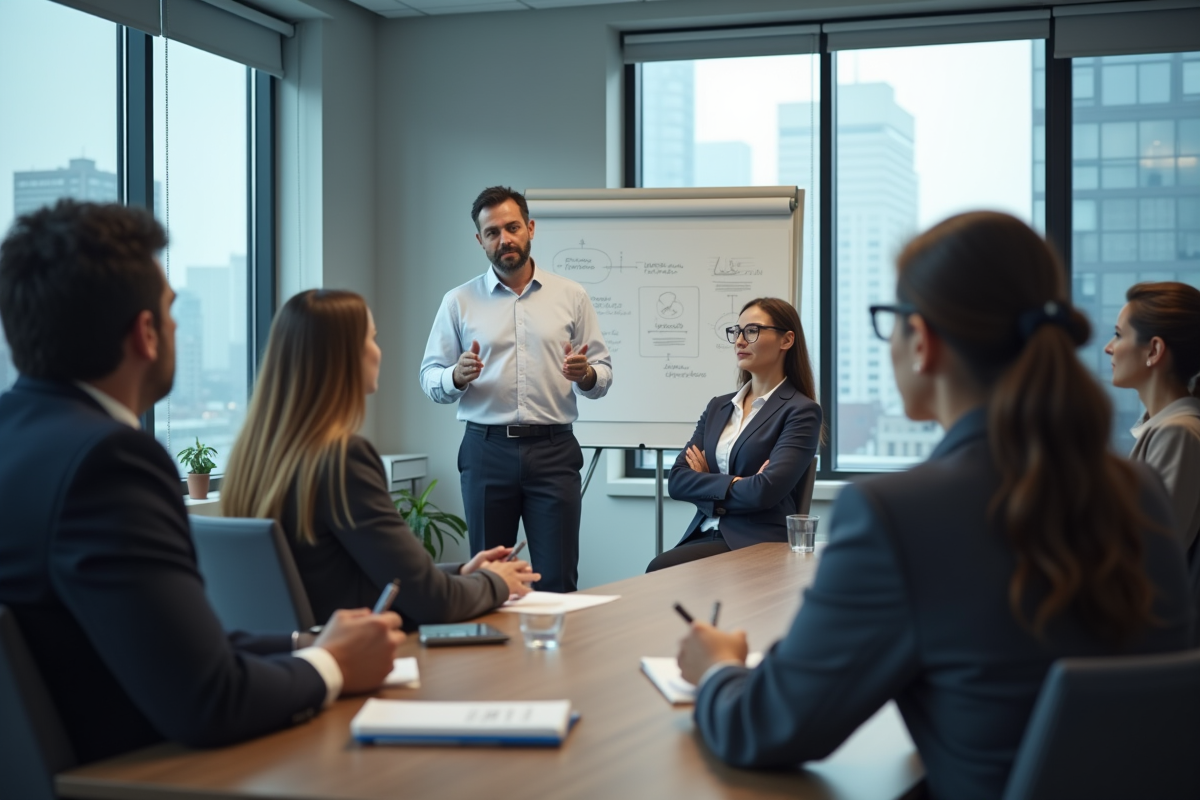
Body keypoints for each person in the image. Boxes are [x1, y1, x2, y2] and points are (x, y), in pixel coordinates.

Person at [676, 212, 1194, 800]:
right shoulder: (1139, 494)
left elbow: (764, 728)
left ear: (921, 340)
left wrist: (718, 669)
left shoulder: (897, 514)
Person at [0, 201, 403, 766]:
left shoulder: (19, 439)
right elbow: (211, 700)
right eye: (170, 310)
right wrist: (333, 665)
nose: (174, 325)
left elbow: (159, 645)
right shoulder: (109, 462)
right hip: (144, 773)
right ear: (145, 334)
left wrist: (307, 643)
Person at [222, 289, 539, 629]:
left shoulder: (253, 458)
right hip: (354, 659)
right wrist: (498, 582)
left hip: (293, 661)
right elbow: (431, 602)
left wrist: (462, 572)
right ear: (342, 357)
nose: (378, 351)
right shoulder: (343, 459)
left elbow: (354, 575)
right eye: (370, 339)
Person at [420, 186, 613, 592]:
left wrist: (586, 375)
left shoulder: (571, 295)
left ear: (530, 228)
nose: (504, 239)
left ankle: (556, 657)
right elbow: (429, 378)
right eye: (492, 232)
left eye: (512, 227)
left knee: (558, 579)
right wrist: (455, 375)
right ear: (480, 241)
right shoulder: (458, 302)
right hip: (486, 450)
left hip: (554, 451)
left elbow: (603, 374)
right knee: (490, 581)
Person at [647, 298, 821, 572]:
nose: (739, 341)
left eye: (752, 331)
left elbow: (765, 492)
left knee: (660, 569)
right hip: (703, 534)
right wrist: (741, 482)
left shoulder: (802, 411)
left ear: (786, 340)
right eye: (736, 331)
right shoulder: (719, 406)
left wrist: (707, 481)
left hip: (756, 541)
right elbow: (678, 481)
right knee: (661, 570)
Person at [1105, 281, 1200, 554]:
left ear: (1154, 351)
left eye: (1118, 335)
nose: (1109, 348)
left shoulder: (1178, 433)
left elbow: (1150, 554)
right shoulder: (1169, 429)